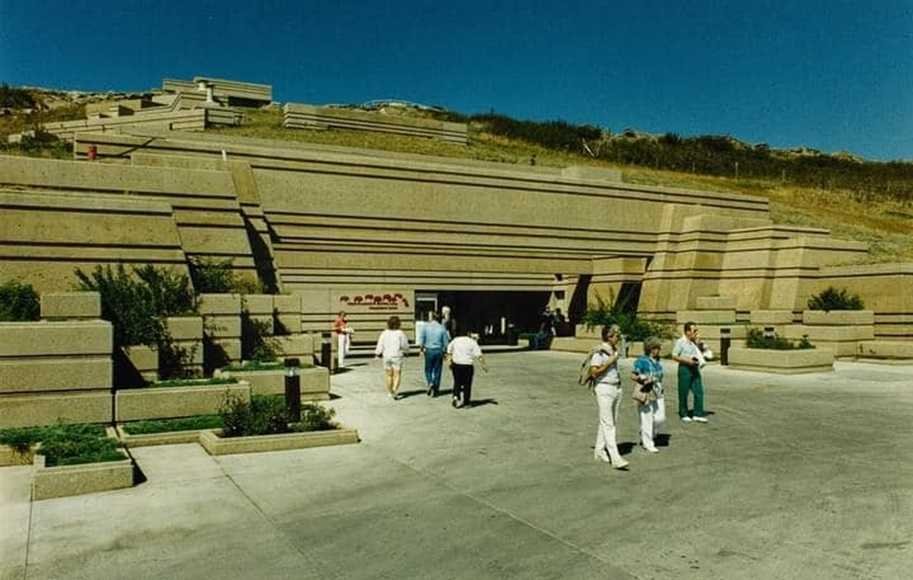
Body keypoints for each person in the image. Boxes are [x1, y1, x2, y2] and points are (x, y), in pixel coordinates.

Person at [590, 324, 629, 469]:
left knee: (608, 421)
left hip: (616, 387)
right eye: (616, 335)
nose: (618, 337)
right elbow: (594, 372)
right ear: (608, 336)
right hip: (604, 388)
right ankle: (615, 457)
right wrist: (609, 362)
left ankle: (599, 450)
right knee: (609, 424)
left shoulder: (614, 350)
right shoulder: (599, 351)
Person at [631, 336, 666, 452]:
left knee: (660, 417)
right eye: (657, 348)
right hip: (646, 390)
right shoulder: (642, 361)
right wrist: (643, 378)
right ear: (651, 349)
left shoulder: (657, 361)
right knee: (646, 417)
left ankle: (648, 432)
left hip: (657, 391)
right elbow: (633, 375)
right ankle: (648, 442)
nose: (659, 350)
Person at [672, 321, 708, 423]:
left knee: (699, 391)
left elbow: (701, 352)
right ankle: (683, 413)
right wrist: (687, 360)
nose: (696, 332)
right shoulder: (680, 342)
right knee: (683, 392)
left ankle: (698, 413)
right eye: (694, 330)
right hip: (685, 368)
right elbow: (674, 355)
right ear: (688, 331)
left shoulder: (694, 342)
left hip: (694, 367)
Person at [445, 329, 487, 408]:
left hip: (456, 365)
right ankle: (466, 402)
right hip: (467, 365)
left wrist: (449, 362)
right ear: (468, 333)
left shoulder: (455, 340)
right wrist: (483, 365)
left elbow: (449, 351)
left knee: (457, 381)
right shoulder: (472, 342)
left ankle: (456, 396)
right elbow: (479, 355)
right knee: (467, 384)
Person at [374, 316, 410, 400]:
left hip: (386, 356)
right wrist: (407, 351)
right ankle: (394, 390)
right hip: (397, 355)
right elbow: (404, 344)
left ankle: (390, 392)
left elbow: (380, 344)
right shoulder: (400, 333)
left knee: (388, 375)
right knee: (397, 374)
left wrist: (377, 353)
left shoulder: (384, 333)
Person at [418, 312, 451, 397]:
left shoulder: (426, 327)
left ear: (432, 318)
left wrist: (421, 348)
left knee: (428, 369)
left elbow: (421, 339)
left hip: (428, 350)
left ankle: (430, 382)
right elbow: (446, 342)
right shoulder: (442, 328)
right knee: (437, 370)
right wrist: (446, 352)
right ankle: (436, 389)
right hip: (438, 351)